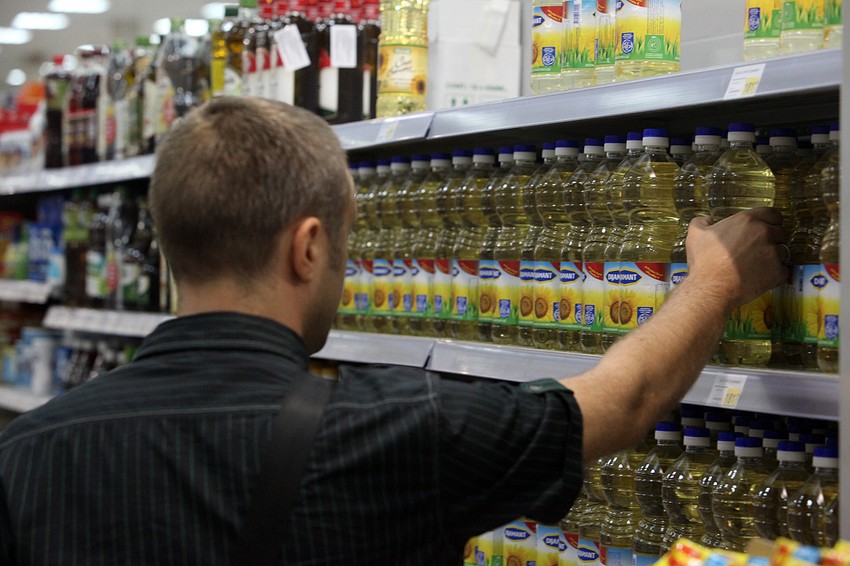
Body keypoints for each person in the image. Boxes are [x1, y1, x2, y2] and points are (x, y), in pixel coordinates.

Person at [0, 97, 787, 564]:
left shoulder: (28, 453)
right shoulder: (402, 428)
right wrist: (713, 281)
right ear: (308, 248)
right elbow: (622, 400)